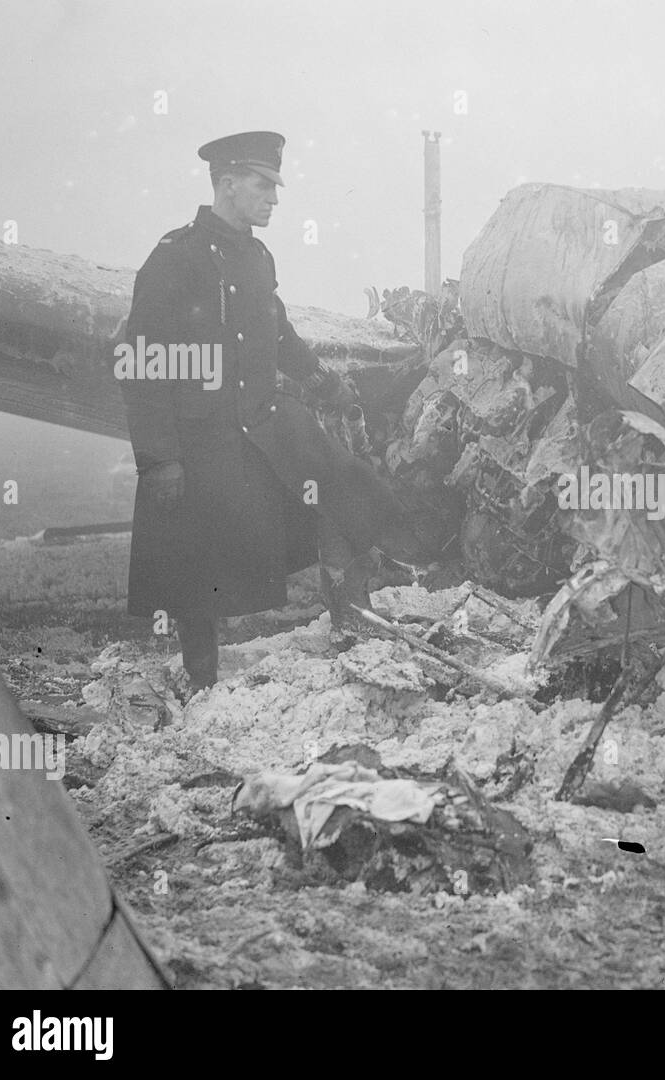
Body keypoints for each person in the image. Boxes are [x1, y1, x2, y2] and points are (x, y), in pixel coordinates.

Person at [117, 131, 435, 690]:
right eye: (263, 185)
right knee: (198, 564)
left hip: (263, 421)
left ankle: (378, 602)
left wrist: (319, 379)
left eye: (274, 186)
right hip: (202, 436)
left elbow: (278, 330)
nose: (274, 199)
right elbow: (141, 364)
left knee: (345, 483)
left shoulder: (259, 256)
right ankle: (202, 678)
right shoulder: (175, 258)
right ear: (227, 182)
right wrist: (159, 458)